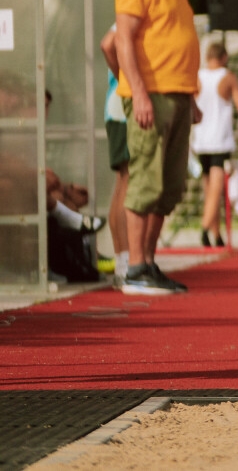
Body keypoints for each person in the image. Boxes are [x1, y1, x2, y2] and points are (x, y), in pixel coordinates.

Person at [114, 0, 202, 295]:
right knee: (145, 181)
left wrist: (192, 94)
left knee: (168, 186)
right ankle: (133, 268)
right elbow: (122, 39)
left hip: (179, 93)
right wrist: (140, 92)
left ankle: (149, 263)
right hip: (151, 94)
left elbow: (176, 37)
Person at [193, 41, 238, 248]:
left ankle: (216, 235)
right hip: (219, 140)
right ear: (224, 57)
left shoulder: (198, 77)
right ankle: (205, 227)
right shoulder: (227, 77)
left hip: (201, 140)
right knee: (216, 190)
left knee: (209, 190)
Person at [100, 26, 131, 285]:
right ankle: (125, 261)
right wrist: (126, 80)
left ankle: (123, 261)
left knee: (123, 182)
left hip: (117, 109)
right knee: (128, 182)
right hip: (123, 109)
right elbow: (107, 44)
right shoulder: (127, 15)